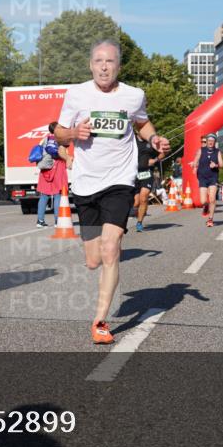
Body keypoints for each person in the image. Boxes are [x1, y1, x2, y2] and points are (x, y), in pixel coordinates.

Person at [55, 40, 169, 344]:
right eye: (98, 61)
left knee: (110, 248)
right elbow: (58, 132)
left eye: (109, 62)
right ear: (90, 65)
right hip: (85, 183)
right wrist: (73, 133)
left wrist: (154, 139)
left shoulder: (133, 95)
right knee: (93, 259)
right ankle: (101, 253)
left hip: (120, 180)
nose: (104, 67)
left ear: (119, 66)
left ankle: (100, 322)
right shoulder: (76, 94)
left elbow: (142, 123)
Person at [36, 122, 71, 227]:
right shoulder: (61, 140)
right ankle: (57, 221)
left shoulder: (44, 140)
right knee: (57, 195)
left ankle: (40, 221)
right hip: (58, 168)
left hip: (45, 169)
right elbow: (63, 153)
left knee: (44, 196)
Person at [193, 133, 223, 226]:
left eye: (212, 141)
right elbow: (195, 161)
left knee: (212, 199)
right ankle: (206, 206)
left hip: (213, 177)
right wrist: (194, 164)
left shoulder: (217, 152)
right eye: (209, 141)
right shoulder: (201, 150)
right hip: (202, 177)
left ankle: (210, 219)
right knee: (203, 201)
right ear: (206, 141)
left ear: (215, 142)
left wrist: (216, 165)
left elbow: (222, 164)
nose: (210, 142)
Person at [134, 134, 159, 232]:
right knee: (136, 203)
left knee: (143, 198)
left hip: (147, 173)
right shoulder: (131, 139)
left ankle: (139, 223)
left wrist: (155, 160)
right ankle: (141, 210)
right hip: (133, 173)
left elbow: (163, 152)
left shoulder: (151, 141)